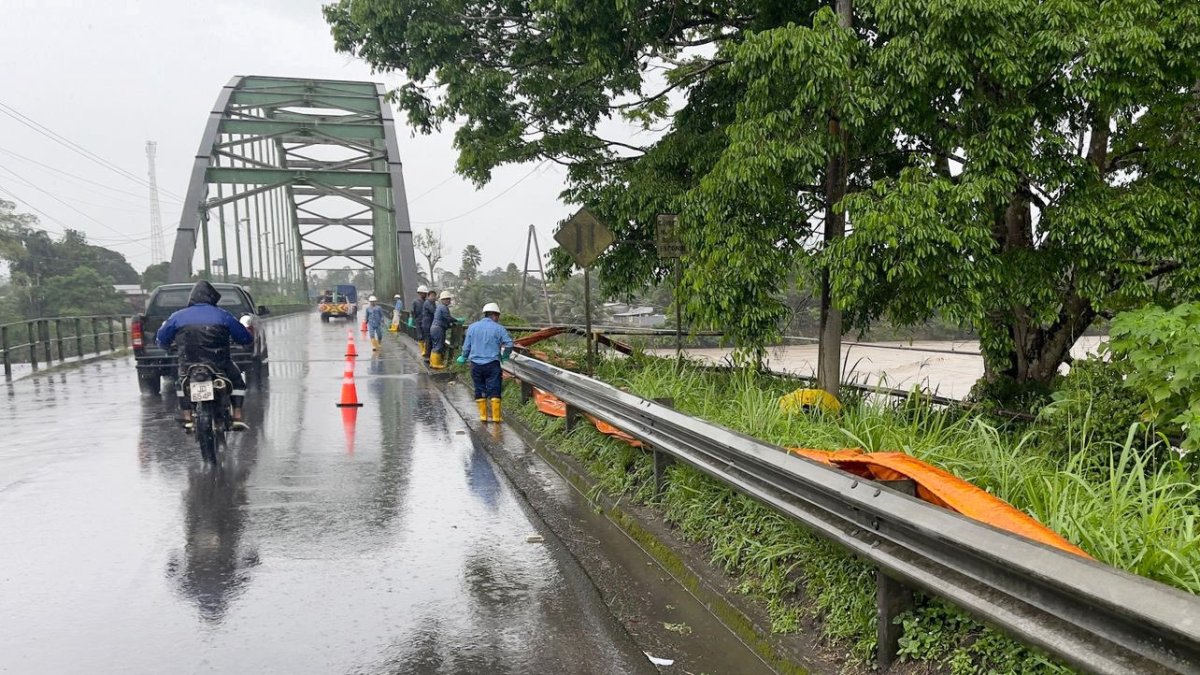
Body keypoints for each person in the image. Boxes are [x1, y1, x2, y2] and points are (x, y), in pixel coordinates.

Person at [156, 280, 253, 432]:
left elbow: (161, 339)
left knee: (181, 383)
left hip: (188, 364)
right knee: (237, 382)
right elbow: (245, 338)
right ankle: (237, 416)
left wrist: (167, 347)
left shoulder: (177, 317)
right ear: (213, 298)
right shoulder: (223, 315)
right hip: (219, 363)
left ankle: (187, 417)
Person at [457, 302, 514, 422]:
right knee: (495, 388)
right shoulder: (499, 328)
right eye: (498, 316)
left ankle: (483, 416)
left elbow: (467, 346)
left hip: (475, 365)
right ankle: (496, 417)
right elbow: (509, 344)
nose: (498, 318)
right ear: (494, 315)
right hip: (492, 364)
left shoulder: (472, 327)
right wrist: (505, 356)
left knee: (479, 388)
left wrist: (463, 357)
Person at [428, 290, 459, 369]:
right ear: (442, 300)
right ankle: (436, 363)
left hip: (434, 328)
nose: (448, 300)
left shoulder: (439, 307)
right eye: (446, 299)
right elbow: (447, 318)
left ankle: (432, 362)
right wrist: (456, 320)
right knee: (438, 346)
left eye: (449, 299)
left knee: (435, 345)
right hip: (438, 329)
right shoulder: (443, 308)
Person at [410, 284, 429, 353]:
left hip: (426, 322)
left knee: (426, 335)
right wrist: (412, 319)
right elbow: (412, 311)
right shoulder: (415, 302)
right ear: (419, 293)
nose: (424, 294)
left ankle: (425, 350)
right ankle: (422, 350)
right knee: (420, 336)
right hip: (418, 321)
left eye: (425, 293)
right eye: (422, 293)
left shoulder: (427, 302)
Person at [420, 288, 437, 362]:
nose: (434, 297)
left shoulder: (432, 303)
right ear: (428, 296)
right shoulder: (427, 303)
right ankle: (427, 356)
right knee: (428, 339)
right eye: (432, 296)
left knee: (430, 339)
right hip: (427, 324)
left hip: (430, 323)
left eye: (434, 296)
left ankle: (429, 355)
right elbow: (434, 311)